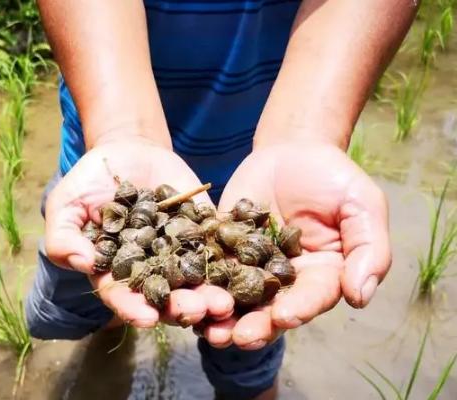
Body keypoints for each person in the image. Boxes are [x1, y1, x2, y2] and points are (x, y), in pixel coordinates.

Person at [25, 1, 416, 399]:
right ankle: (110, 338)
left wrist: (307, 133)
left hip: (267, 172)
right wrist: (120, 128)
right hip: (105, 157)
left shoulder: (247, 239)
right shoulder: (125, 211)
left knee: (249, 356)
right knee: (102, 295)